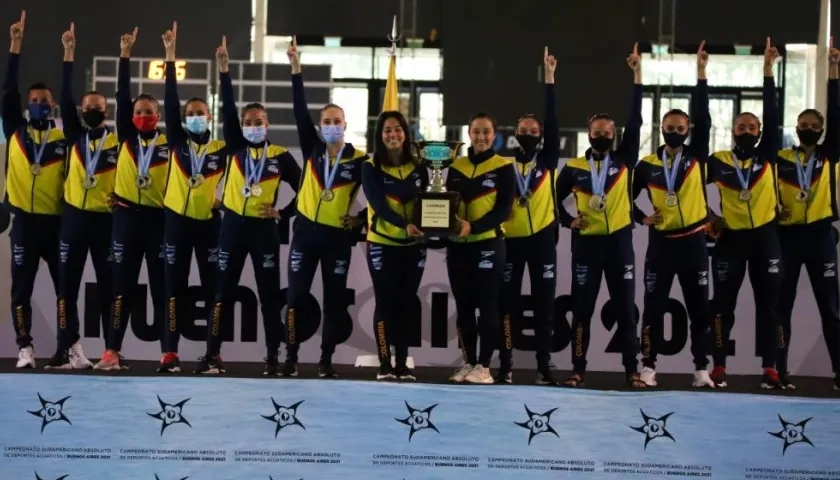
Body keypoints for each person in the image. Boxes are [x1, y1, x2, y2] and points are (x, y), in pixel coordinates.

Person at [197, 36, 301, 376]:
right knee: (221, 294)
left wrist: (283, 213)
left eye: (259, 122)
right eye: (248, 122)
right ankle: (212, 354)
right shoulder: (235, 148)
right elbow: (227, 107)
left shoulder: (281, 157)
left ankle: (274, 356)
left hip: (263, 232)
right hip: (231, 229)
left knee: (269, 296)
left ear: (267, 124)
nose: (253, 127)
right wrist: (223, 70)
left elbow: (307, 193)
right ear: (241, 127)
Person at [555, 43, 643, 388]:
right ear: (588, 134)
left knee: (625, 310)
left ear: (615, 135)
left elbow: (635, 119)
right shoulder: (575, 167)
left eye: (608, 132)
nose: (603, 135)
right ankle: (578, 368)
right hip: (587, 246)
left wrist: (637, 76)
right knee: (582, 311)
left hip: (620, 242)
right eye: (597, 131)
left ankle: (632, 371)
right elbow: (550, 200)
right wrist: (567, 221)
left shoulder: (625, 160)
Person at [283, 36, 367, 378]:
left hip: (336, 238)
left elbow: (380, 195)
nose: (332, 126)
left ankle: (326, 360)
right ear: (321, 127)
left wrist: (360, 217)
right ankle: (291, 356)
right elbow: (298, 107)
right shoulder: (312, 148)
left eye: (338, 121)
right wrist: (295, 68)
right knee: (296, 298)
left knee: (333, 301)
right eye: (327, 121)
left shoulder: (360, 159)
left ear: (346, 126)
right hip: (304, 232)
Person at [632, 42, 714, 388]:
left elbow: (705, 117)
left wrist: (701, 73)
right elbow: (624, 197)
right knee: (652, 307)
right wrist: (641, 217)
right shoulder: (648, 164)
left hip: (694, 243)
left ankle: (701, 369)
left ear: (690, 131)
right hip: (661, 246)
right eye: (670, 126)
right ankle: (648, 367)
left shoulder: (697, 157)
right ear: (661, 127)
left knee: (699, 309)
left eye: (681, 128)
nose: (675, 131)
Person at [706, 37, 785, 389]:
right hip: (731, 240)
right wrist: (709, 216)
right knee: (723, 307)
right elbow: (687, 189)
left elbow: (772, 111)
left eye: (753, 128)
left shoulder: (769, 154)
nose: (748, 131)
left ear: (760, 133)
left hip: (766, 237)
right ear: (732, 132)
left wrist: (767, 71)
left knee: (769, 306)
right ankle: (719, 365)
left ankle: (770, 367)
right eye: (742, 127)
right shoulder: (718, 161)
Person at [94, 27, 169, 371]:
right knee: (121, 288)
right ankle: (111, 351)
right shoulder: (125, 136)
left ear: (159, 115)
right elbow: (122, 96)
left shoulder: (170, 144)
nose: (141, 116)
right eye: (137, 112)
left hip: (157, 220)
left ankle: (168, 353)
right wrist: (125, 55)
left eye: (148, 111)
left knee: (160, 287)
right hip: (124, 217)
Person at [158, 22, 227, 373]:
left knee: (214, 290)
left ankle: (213, 353)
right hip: (175, 223)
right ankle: (169, 352)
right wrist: (170, 56)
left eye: (201, 113)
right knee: (174, 289)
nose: (196, 117)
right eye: (190, 115)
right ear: (183, 121)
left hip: (209, 226)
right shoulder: (177, 144)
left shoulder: (222, 148)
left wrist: (224, 72)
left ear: (210, 117)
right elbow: (170, 100)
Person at [50, 22, 116, 370]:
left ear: (106, 112)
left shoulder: (117, 144)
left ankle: (110, 352)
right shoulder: (74, 133)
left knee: (108, 289)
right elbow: (64, 95)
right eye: (86, 105)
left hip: (104, 223)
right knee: (67, 288)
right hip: (74, 218)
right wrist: (69, 53)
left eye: (97, 106)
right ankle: (68, 349)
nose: (90, 109)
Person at [775, 39, 840, 391]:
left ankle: (839, 371)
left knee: (830, 308)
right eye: (802, 122)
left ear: (823, 129)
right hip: (788, 238)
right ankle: (779, 371)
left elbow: (838, 111)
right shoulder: (783, 158)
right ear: (795, 127)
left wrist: (833, 70)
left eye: (813, 123)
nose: (808, 127)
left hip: (820, 236)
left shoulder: (831, 155)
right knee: (782, 307)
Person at [2, 10, 66, 368]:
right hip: (25, 223)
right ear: (27, 106)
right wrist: (15, 45)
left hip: (56, 224)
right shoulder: (15, 129)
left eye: (45, 101)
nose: (39, 105)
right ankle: (24, 346)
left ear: (53, 105)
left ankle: (68, 346)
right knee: (21, 290)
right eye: (35, 101)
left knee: (64, 291)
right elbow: (8, 90)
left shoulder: (62, 138)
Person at [497, 47, 560, 385]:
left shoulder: (548, 160)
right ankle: (505, 364)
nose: (530, 133)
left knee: (543, 305)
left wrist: (549, 78)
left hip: (541, 242)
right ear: (515, 132)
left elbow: (552, 120)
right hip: (511, 242)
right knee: (506, 306)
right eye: (524, 129)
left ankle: (543, 365)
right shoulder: (505, 165)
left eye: (534, 131)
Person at [446, 113, 515, 385]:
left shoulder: (503, 167)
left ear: (494, 135)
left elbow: (502, 211)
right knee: (463, 309)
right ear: (469, 133)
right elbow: (445, 205)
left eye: (486, 131)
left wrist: (472, 228)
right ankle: (468, 361)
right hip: (458, 248)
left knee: (487, 307)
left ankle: (484, 365)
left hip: (488, 245)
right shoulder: (455, 165)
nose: (481, 136)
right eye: (476, 131)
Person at [361, 111, 428, 381]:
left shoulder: (421, 167)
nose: (393, 134)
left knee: (407, 303)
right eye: (387, 130)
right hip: (383, 243)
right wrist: (404, 224)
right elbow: (378, 205)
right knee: (385, 302)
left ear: (405, 133)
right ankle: (384, 364)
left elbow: (431, 202)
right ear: (380, 135)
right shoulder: (370, 166)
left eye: (397, 129)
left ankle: (402, 364)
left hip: (414, 245)